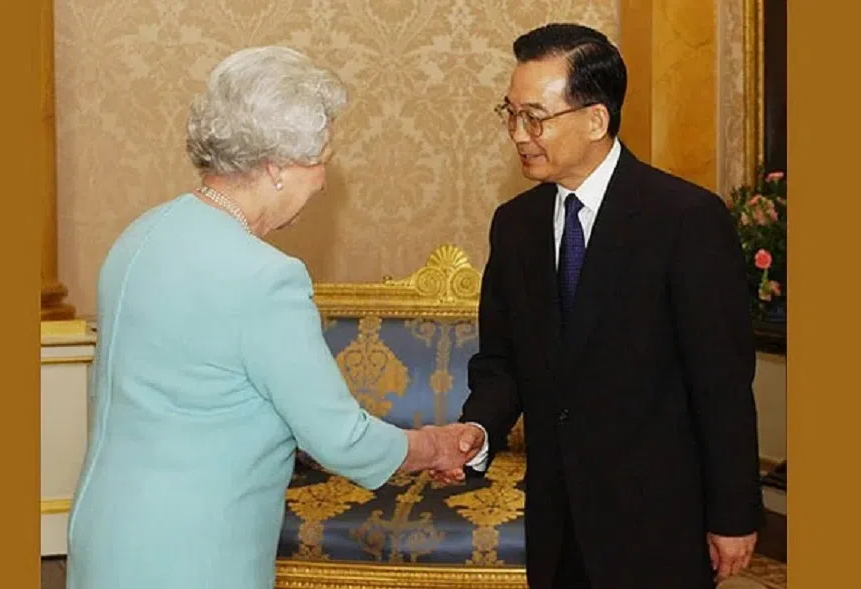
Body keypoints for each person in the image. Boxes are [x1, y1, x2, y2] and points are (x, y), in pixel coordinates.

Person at [65, 46, 478, 589]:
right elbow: (340, 439)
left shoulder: (141, 233)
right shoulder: (263, 277)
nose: (324, 181)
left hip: (106, 533)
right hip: (195, 551)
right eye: (322, 158)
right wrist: (437, 447)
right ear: (276, 165)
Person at [432, 23, 765, 589]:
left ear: (595, 119)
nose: (518, 134)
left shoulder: (684, 220)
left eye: (535, 117)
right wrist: (480, 430)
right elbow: (503, 361)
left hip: (657, 519)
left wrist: (732, 513)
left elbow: (721, 381)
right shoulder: (515, 227)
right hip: (557, 517)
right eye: (510, 114)